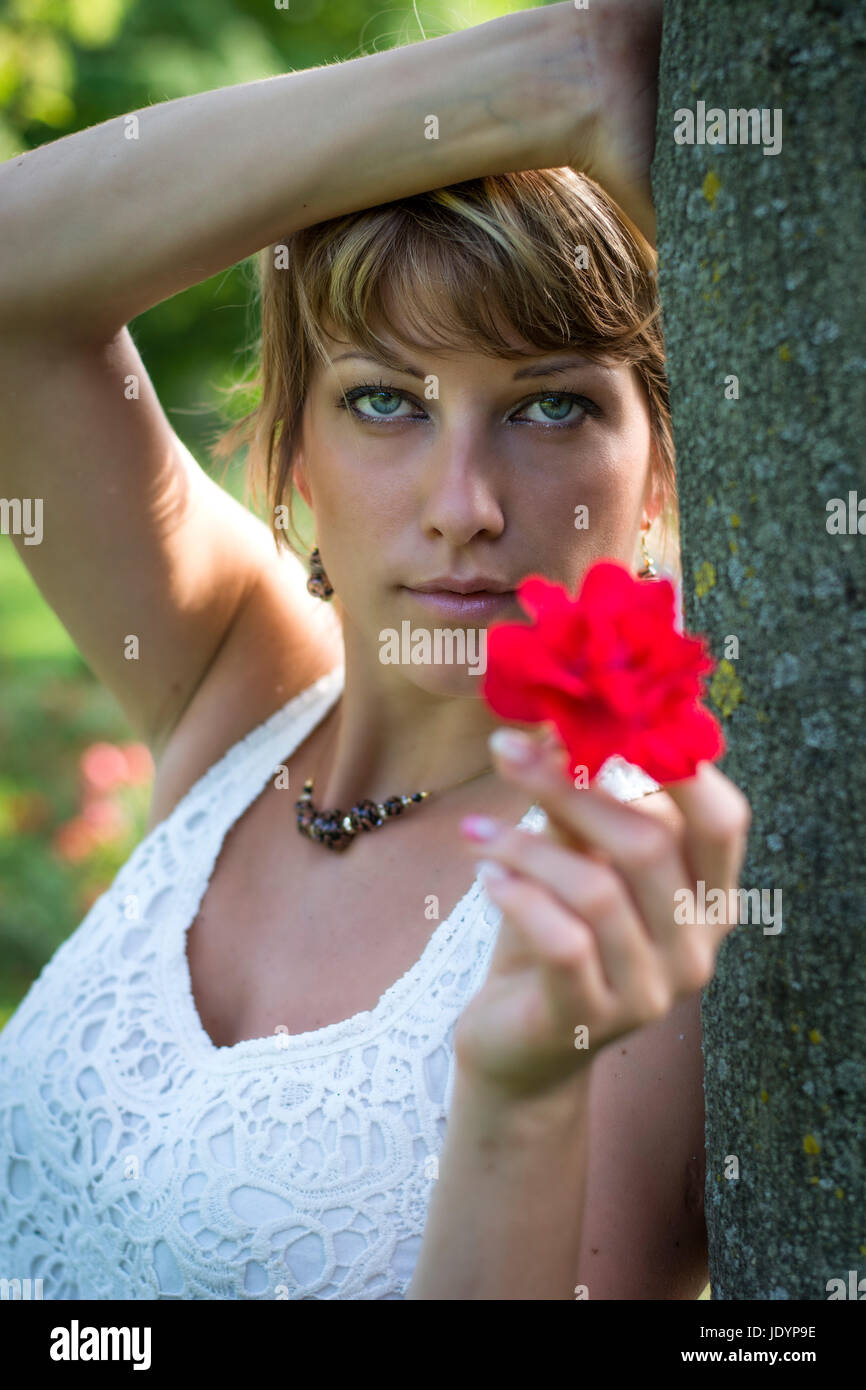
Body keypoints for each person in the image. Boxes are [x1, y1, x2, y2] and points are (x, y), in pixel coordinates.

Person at [0, 0, 750, 1299]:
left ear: (657, 478)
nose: (463, 503)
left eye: (550, 407)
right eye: (385, 400)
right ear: (294, 455)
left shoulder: (629, 890)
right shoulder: (237, 684)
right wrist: (556, 76)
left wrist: (518, 1093)